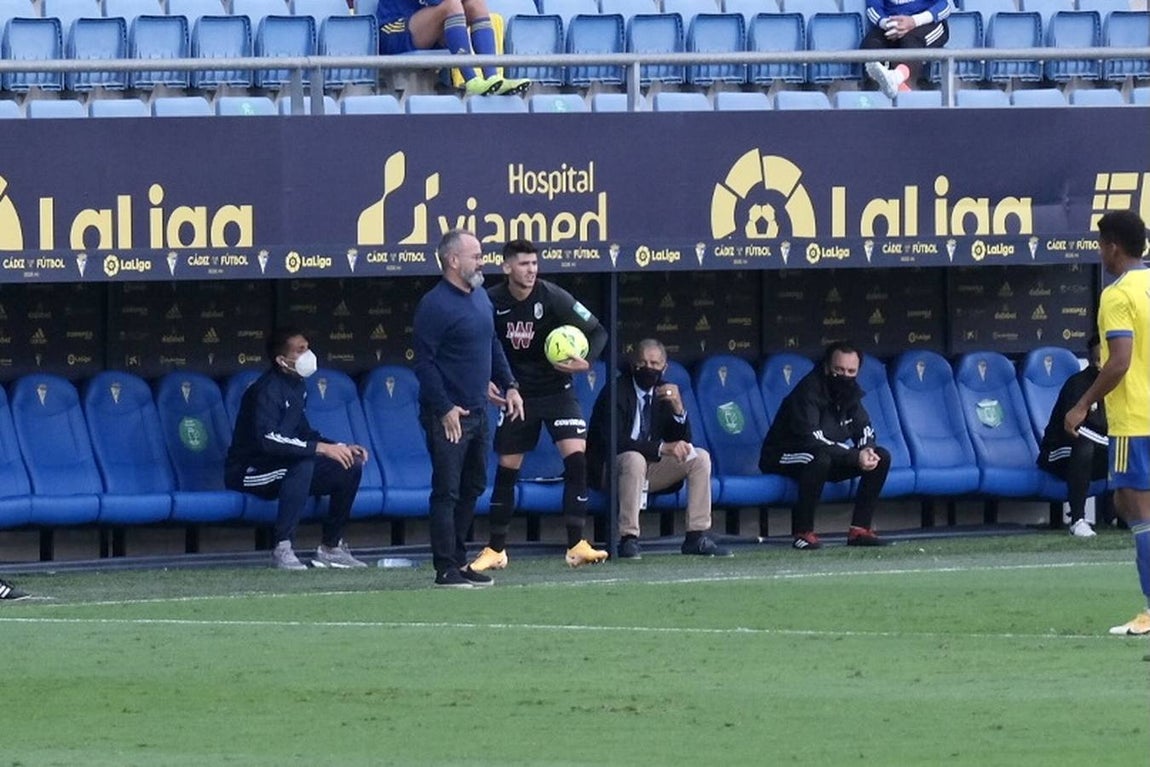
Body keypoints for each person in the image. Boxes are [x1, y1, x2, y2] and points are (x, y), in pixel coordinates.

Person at [468, 240, 610, 573]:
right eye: (523, 264)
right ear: (506, 268)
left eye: (534, 263)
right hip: (517, 395)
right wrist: (484, 379)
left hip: (558, 391)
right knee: (508, 468)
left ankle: (576, 545)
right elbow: (477, 343)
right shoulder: (490, 301)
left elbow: (598, 331)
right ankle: (496, 549)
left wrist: (585, 362)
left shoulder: (553, 296)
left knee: (577, 460)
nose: (531, 270)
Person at [413, 229, 524, 588]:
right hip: (449, 415)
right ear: (452, 260)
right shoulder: (434, 304)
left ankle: (460, 560)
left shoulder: (479, 298)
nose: (482, 261)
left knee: (473, 485)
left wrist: (510, 386)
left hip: (480, 411)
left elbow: (492, 343)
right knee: (447, 489)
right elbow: (425, 364)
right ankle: (445, 566)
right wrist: (444, 408)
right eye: (476, 255)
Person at [1064, 209, 1150, 636]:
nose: (1100, 253)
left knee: (1135, 508)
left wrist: (1082, 405)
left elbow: (1118, 363)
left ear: (1113, 246)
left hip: (1135, 419)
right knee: (1129, 507)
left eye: (1101, 245)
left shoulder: (1117, 295)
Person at [225, 328, 369, 571]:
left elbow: (302, 433)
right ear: (282, 360)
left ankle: (331, 548)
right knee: (302, 463)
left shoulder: (297, 385)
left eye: (307, 347)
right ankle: (282, 547)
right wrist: (319, 449)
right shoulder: (265, 390)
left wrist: (338, 447)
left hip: (282, 469)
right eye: (300, 350)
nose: (308, 354)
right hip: (249, 472)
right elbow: (269, 440)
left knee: (348, 465)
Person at [587, 338, 731, 560]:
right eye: (643, 362)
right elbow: (613, 442)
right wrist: (662, 447)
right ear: (633, 363)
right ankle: (628, 538)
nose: (648, 368)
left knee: (699, 457)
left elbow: (683, 443)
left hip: (647, 470)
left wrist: (678, 409)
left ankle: (696, 536)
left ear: (664, 367)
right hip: (610, 470)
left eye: (654, 364)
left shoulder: (664, 393)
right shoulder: (616, 390)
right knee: (634, 459)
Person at [759, 341, 891, 550]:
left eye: (851, 371)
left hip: (826, 457)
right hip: (784, 455)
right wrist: (854, 456)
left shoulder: (851, 393)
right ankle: (803, 532)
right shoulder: (808, 390)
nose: (845, 376)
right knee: (819, 458)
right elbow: (813, 439)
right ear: (827, 367)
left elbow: (864, 427)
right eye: (839, 370)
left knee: (881, 456)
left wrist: (867, 449)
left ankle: (859, 530)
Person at [374, 0, 531, 97]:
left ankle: (493, 77)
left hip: (428, 26)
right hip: (394, 30)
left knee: (476, 4)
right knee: (451, 5)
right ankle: (471, 81)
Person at [1038, 334, 1110, 538]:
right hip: (1058, 451)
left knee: (1133, 447)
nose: (1101, 364)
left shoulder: (1121, 384)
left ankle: (1128, 518)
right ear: (1090, 359)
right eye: (1097, 360)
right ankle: (1077, 519)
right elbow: (1077, 430)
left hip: (1100, 451)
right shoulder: (1078, 384)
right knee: (1084, 446)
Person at [862, 0, 954, 98]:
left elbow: (944, 6)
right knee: (871, 44)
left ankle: (897, 78)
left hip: (926, 22)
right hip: (892, 23)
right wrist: (888, 25)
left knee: (911, 42)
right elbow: (873, 8)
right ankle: (878, 91)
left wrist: (915, 21)